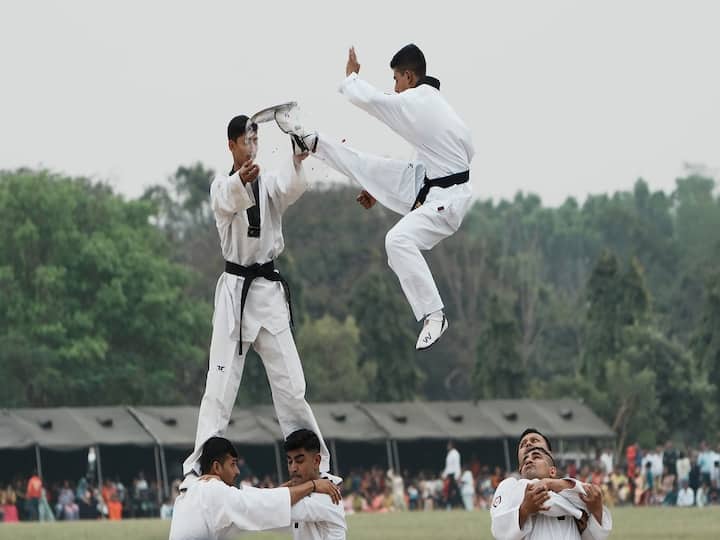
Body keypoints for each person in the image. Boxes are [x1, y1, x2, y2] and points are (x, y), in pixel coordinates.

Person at [290, 44, 474, 350]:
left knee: (397, 241)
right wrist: (381, 189)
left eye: (396, 80)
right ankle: (313, 143)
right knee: (370, 169)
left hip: (446, 201)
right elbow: (444, 154)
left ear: (409, 76)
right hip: (430, 181)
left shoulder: (418, 102)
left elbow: (375, 101)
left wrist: (352, 78)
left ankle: (434, 314)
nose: (395, 87)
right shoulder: (434, 106)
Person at [182, 115, 333, 483]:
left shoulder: (268, 183)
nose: (251, 144)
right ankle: (197, 472)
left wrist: (297, 156)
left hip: (267, 291)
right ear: (232, 145)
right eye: (245, 139)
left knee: (292, 386)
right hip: (235, 293)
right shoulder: (222, 186)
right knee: (218, 391)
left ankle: (315, 466)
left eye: (255, 138)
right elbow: (225, 200)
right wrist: (240, 181)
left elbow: (290, 187)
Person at [170, 437, 343, 540]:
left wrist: (288, 488)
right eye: (233, 464)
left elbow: (259, 508)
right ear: (216, 468)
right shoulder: (214, 490)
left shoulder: (194, 488)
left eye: (298, 461)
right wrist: (312, 485)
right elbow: (262, 506)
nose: (237, 471)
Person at [490, 446, 611, 540]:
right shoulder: (514, 486)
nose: (529, 460)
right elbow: (499, 529)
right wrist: (579, 512)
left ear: (552, 471)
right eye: (525, 459)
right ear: (520, 470)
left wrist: (550, 483)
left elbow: (595, 536)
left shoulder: (569, 489)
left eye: (536, 456)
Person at [284, 429, 347, 539]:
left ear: (316, 461)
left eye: (299, 461)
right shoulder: (311, 488)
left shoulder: (327, 496)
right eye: (290, 461)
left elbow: (272, 504)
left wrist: (312, 485)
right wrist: (311, 485)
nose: (293, 468)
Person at [442, 441, 463, 508]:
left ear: (452, 445)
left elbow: (457, 465)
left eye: (449, 445)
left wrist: (457, 475)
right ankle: (449, 505)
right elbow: (448, 466)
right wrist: (444, 474)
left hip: (454, 475)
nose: (447, 446)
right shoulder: (449, 454)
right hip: (449, 474)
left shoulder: (455, 453)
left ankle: (461, 505)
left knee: (456, 491)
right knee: (449, 491)